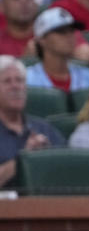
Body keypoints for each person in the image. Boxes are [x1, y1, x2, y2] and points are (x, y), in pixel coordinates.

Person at [0, 54, 64, 188]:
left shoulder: (44, 128)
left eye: (20, 80)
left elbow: (69, 169)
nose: (15, 86)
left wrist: (48, 156)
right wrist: (25, 160)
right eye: (7, 81)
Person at [24, 7, 89, 92]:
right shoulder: (27, 79)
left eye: (71, 30)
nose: (69, 36)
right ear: (42, 40)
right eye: (61, 32)